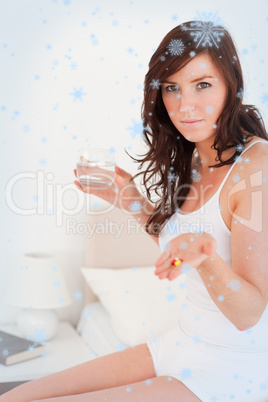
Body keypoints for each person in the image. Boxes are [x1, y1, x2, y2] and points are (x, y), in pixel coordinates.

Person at [2, 20, 268, 402]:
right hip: (180, 343)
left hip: (231, 368)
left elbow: (248, 313)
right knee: (16, 396)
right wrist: (131, 201)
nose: (185, 105)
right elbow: (179, 246)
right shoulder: (196, 152)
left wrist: (206, 257)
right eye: (172, 88)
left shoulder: (256, 167)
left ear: (232, 86)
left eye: (203, 85)